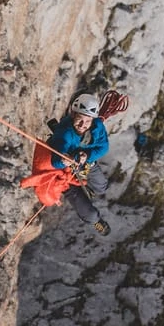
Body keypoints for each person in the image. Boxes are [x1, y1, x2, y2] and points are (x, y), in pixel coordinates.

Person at [48, 93, 111, 235]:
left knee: (102, 187)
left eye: (87, 121)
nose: (83, 125)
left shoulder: (97, 127)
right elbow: (55, 162)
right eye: (80, 120)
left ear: (92, 121)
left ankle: (88, 183)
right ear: (73, 115)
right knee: (90, 214)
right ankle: (96, 222)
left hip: (86, 162)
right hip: (68, 171)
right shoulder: (64, 134)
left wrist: (87, 156)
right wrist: (63, 160)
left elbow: (104, 147)